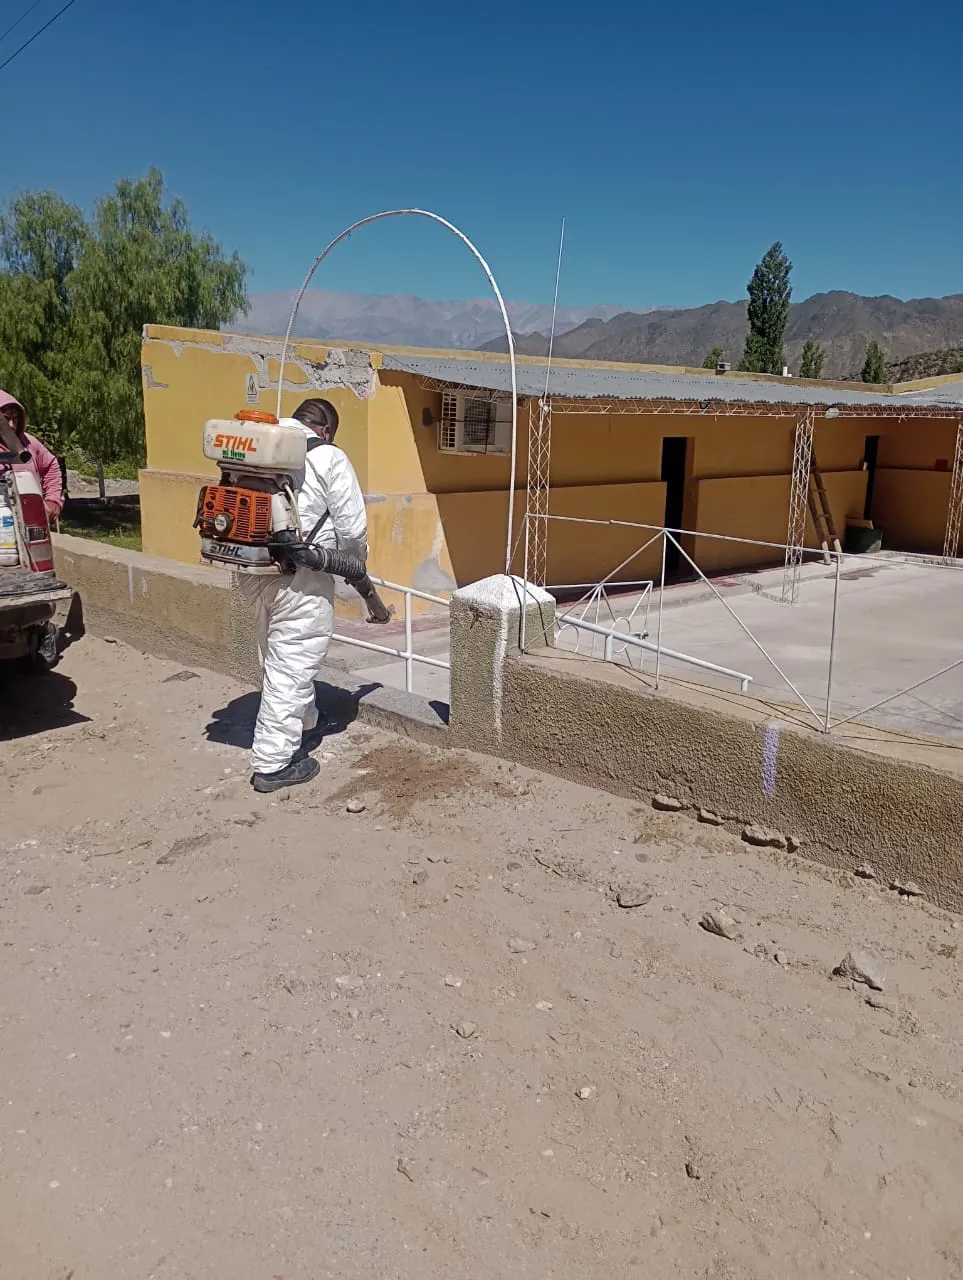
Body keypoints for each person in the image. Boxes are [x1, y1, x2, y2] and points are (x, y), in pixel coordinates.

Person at [240, 397, 367, 793]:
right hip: (301, 576)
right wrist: (354, 565)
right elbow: (352, 529)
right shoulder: (329, 457)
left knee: (275, 654)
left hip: (251, 567)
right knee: (292, 662)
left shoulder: (258, 445)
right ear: (326, 429)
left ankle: (307, 721)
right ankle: (272, 763)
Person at [0, 391, 65, 522]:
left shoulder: (28, 443)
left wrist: (53, 500)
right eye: (6, 419)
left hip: (32, 527)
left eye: (15, 418)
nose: (12, 425)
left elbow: (51, 466)